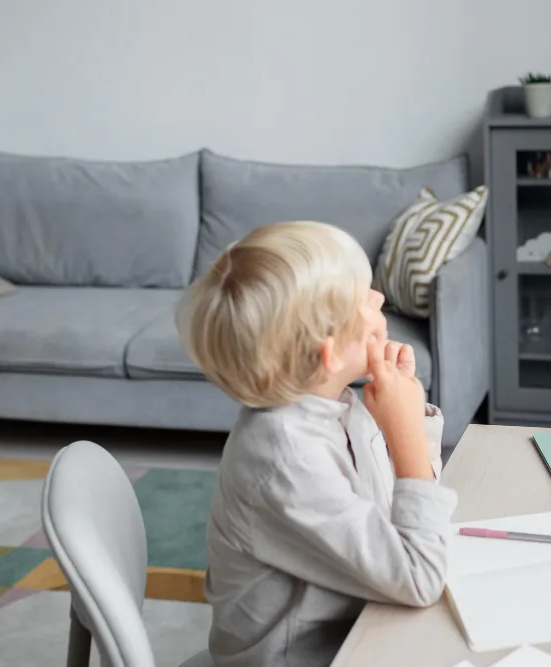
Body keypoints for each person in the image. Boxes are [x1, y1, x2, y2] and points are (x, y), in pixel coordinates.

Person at [175, 221, 457, 667]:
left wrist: (406, 418)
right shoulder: (285, 456)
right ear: (330, 352)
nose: (380, 298)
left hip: (358, 628)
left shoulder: (337, 403)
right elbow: (421, 576)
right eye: (364, 296)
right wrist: (403, 434)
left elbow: (402, 517)